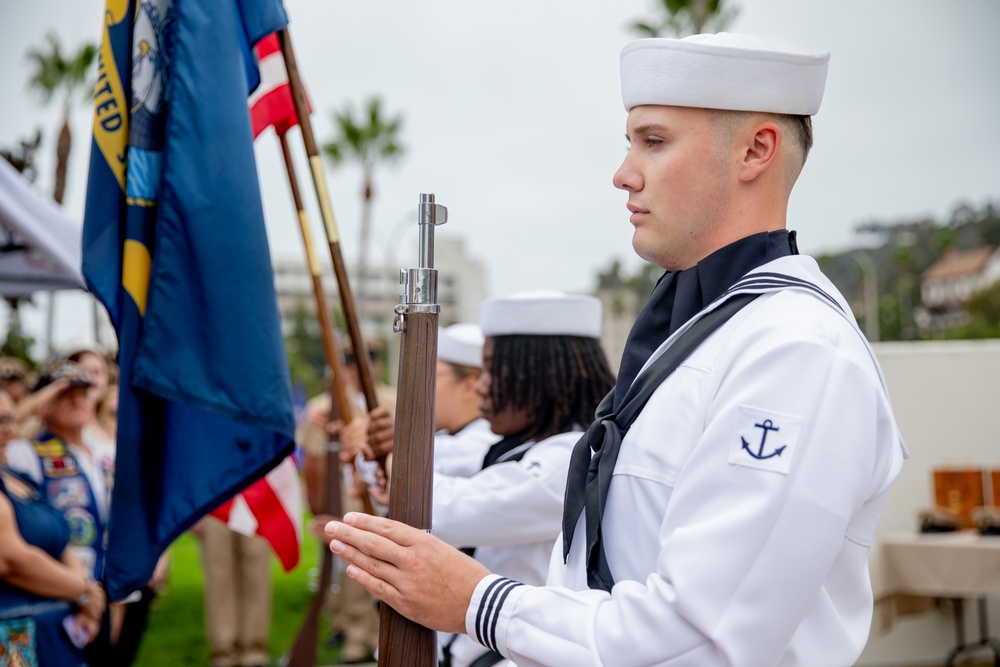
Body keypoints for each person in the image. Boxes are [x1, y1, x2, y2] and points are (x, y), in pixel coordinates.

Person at [323, 32, 908, 667]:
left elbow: (705, 639)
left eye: (653, 142)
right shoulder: (711, 330)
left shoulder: (795, 349)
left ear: (755, 150)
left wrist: (476, 602)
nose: (624, 173)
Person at [0, 387, 107, 666]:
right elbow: (11, 560)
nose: (10, 430)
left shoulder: (18, 476)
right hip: (13, 640)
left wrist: (84, 598)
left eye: (11, 419)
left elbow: (62, 540)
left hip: (58, 633)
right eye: (0, 421)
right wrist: (84, 590)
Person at [431, 323, 498, 478]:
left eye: (433, 376)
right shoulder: (445, 436)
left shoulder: (481, 443)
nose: (421, 386)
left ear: (470, 387)